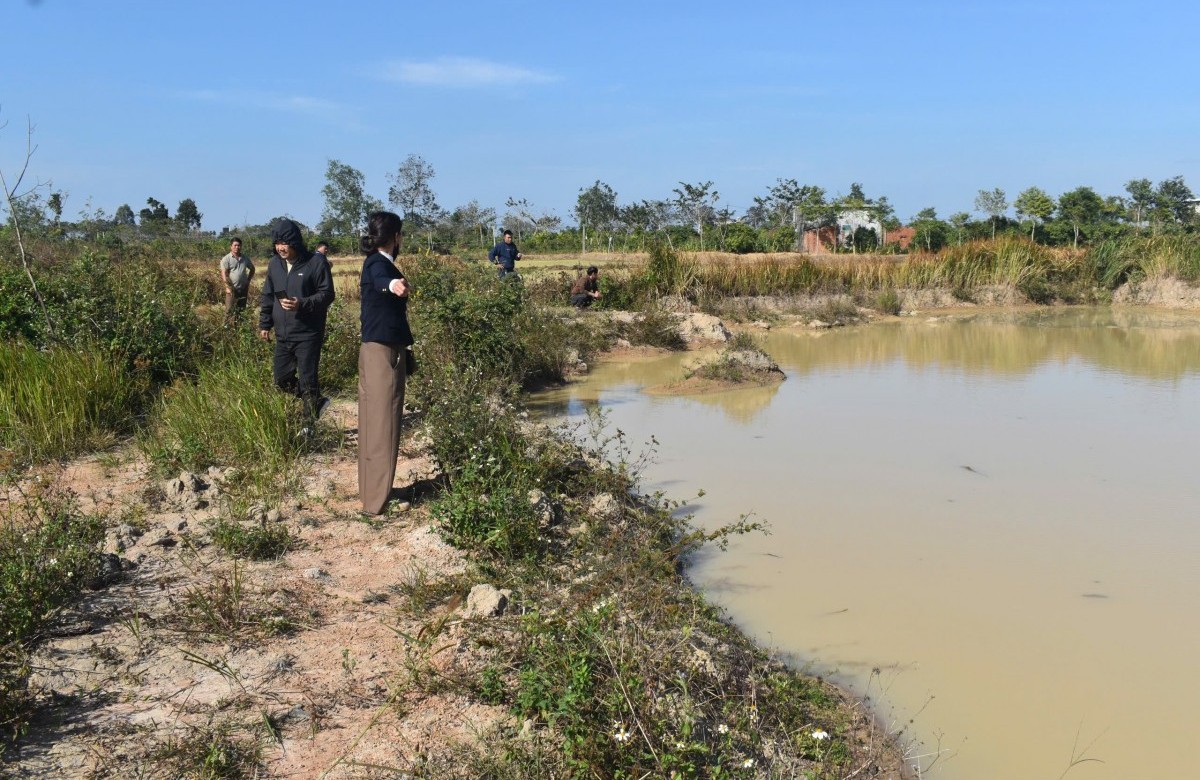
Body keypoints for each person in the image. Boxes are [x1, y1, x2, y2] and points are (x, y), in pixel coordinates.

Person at [357, 211, 414, 515]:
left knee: (372, 423)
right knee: (384, 424)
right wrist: (393, 286)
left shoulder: (374, 262)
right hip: (383, 353)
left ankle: (371, 493)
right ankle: (378, 501)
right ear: (396, 237)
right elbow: (383, 281)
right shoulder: (379, 264)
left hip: (374, 349)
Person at [258, 218, 335, 425]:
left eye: (284, 243)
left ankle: (309, 425)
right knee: (281, 379)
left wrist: (302, 303)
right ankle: (316, 401)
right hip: (283, 334)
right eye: (277, 243)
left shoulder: (315, 263)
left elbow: (327, 294)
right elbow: (268, 295)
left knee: (308, 380)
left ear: (295, 242)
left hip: (308, 333)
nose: (280, 248)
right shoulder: (275, 264)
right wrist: (265, 324)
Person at [219, 237, 255, 325]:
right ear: (231, 246)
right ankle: (225, 329)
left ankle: (238, 329)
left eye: (239, 245)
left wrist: (248, 281)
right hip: (232, 290)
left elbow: (252, 269)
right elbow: (224, 273)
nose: (237, 247)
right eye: (235, 245)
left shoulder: (245, 258)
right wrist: (227, 287)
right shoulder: (226, 259)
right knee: (229, 311)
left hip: (243, 289)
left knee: (241, 310)